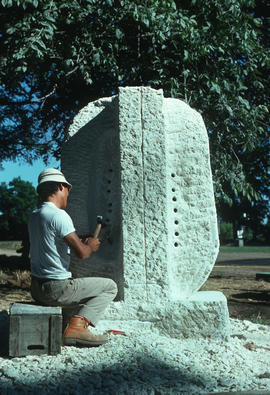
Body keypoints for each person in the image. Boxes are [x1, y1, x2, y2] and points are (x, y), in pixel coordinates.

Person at [28, 168, 118, 347]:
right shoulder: (59, 215)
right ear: (61, 187)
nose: (68, 194)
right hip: (56, 289)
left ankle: (74, 326)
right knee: (110, 287)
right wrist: (91, 246)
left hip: (37, 288)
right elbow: (82, 253)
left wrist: (80, 238)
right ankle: (77, 327)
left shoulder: (35, 215)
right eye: (68, 189)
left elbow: (56, 239)